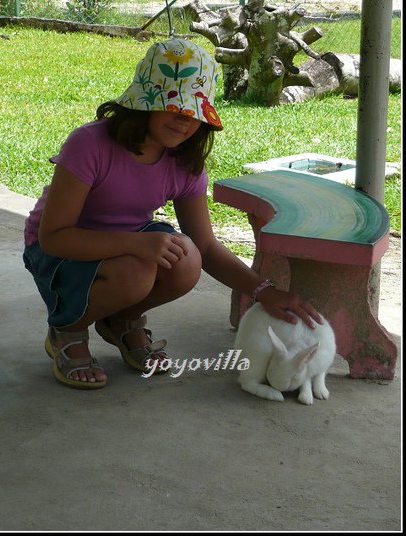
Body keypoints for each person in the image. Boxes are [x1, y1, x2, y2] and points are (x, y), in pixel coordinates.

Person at [23, 37, 322, 390]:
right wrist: (137, 245)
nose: (184, 122)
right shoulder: (89, 145)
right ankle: (67, 330)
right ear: (143, 103)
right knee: (136, 271)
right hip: (59, 253)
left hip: (125, 246)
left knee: (187, 259)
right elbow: (54, 237)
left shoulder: (184, 162)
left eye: (196, 113)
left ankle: (121, 320)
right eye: (174, 107)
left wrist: (264, 291)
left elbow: (207, 247)